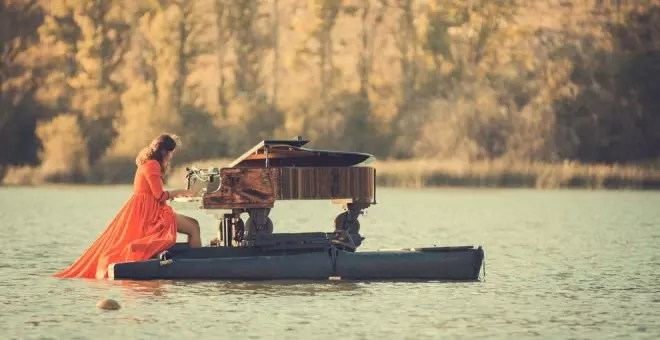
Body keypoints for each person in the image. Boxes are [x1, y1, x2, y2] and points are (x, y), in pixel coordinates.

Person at [54, 134, 202, 279]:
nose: (171, 157)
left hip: (150, 211)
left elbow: (155, 194)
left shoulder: (148, 163)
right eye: (171, 153)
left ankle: (182, 261)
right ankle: (197, 268)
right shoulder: (153, 165)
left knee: (193, 226)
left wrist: (175, 194)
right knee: (194, 227)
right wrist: (179, 192)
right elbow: (159, 196)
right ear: (164, 151)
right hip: (152, 215)